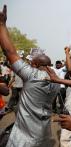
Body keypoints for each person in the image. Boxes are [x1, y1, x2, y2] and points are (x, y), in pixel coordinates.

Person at [0, 5, 60, 147]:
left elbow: (10, 52)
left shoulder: (33, 75)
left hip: (23, 138)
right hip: (43, 136)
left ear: (35, 64)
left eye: (31, 62)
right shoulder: (56, 80)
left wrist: (2, 25)